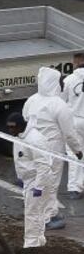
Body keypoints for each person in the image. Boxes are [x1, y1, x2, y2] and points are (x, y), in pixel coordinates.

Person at [23, 67, 83, 230]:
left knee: (37, 181)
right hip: (52, 149)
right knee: (50, 183)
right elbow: (69, 133)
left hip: (32, 147)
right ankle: (47, 217)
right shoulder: (59, 105)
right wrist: (77, 150)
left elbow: (25, 117)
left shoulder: (32, 100)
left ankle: (44, 212)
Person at [7, 112, 51, 248]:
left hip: (37, 179)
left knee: (32, 213)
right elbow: (22, 159)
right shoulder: (20, 136)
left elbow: (44, 164)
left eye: (13, 127)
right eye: (9, 127)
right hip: (29, 179)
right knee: (36, 212)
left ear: (21, 126)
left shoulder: (35, 139)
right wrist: (21, 177)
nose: (10, 130)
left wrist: (39, 186)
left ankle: (31, 245)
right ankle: (39, 241)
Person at [61, 53, 84, 200]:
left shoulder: (69, 80)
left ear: (75, 63)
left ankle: (75, 188)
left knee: (74, 153)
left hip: (74, 121)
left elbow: (62, 103)